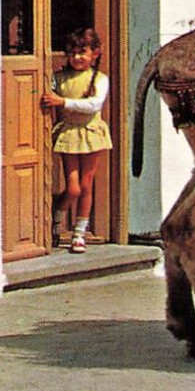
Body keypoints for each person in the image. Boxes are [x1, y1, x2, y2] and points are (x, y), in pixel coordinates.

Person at [41, 27, 113, 253]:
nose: (77, 57)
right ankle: (57, 217)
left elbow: (94, 104)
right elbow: (44, 93)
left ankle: (79, 233)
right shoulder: (59, 78)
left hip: (91, 132)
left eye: (83, 52)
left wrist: (63, 102)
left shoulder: (99, 79)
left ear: (95, 53)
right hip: (70, 132)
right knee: (72, 187)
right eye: (72, 53)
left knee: (85, 185)